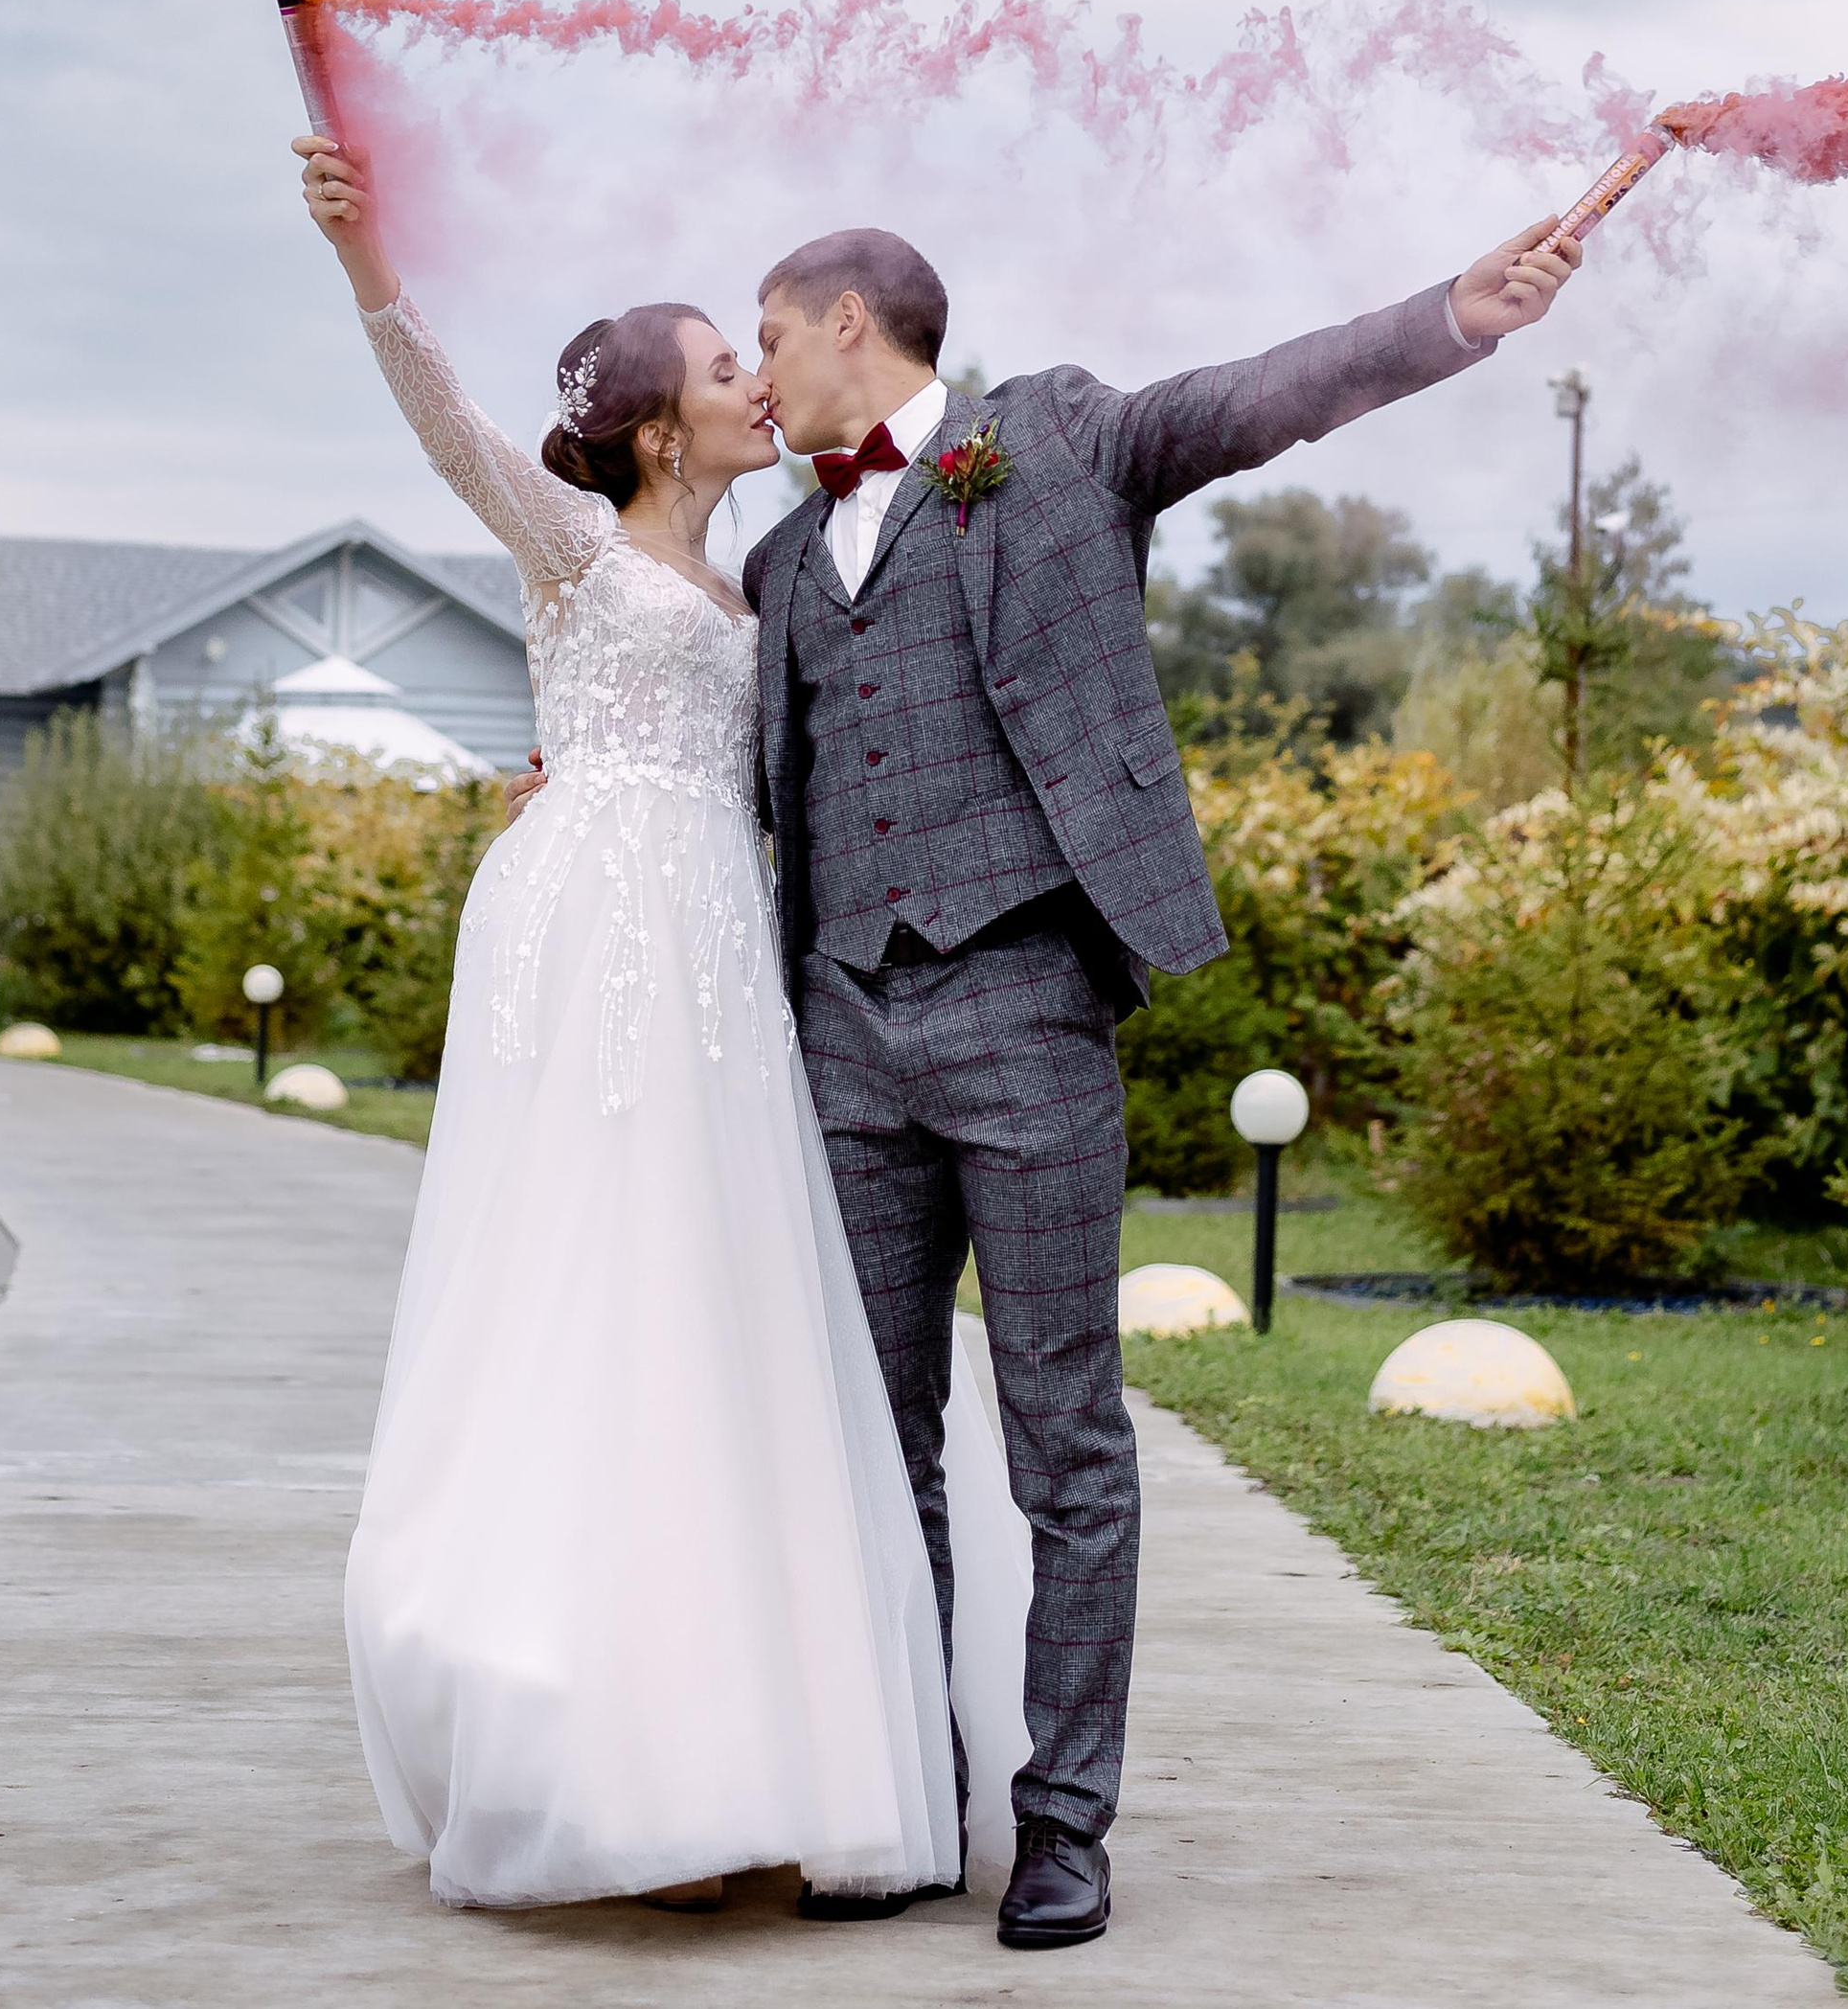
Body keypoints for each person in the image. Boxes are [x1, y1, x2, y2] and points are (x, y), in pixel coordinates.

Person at [512, 199, 1583, 1952]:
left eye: (768, 337)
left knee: (1063, 1438)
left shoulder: (1060, 442)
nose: (761, 380)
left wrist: (1454, 313)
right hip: (841, 1031)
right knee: (876, 1443)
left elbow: (1264, 395)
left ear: (847, 318)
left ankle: (1064, 1823)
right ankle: (908, 1801)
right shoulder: (779, 567)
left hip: (1027, 1010)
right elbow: (706, 760)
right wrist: (571, 783)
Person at [293, 130, 1031, 1921]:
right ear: (652, 428)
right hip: (596, 925)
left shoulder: (775, 574)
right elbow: (448, 425)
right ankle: (586, 1736)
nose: (754, 380)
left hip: (729, 941)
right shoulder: (572, 546)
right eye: (723, 366)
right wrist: (369, 261)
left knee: (733, 1317)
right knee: (594, 1286)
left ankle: (751, 1749)